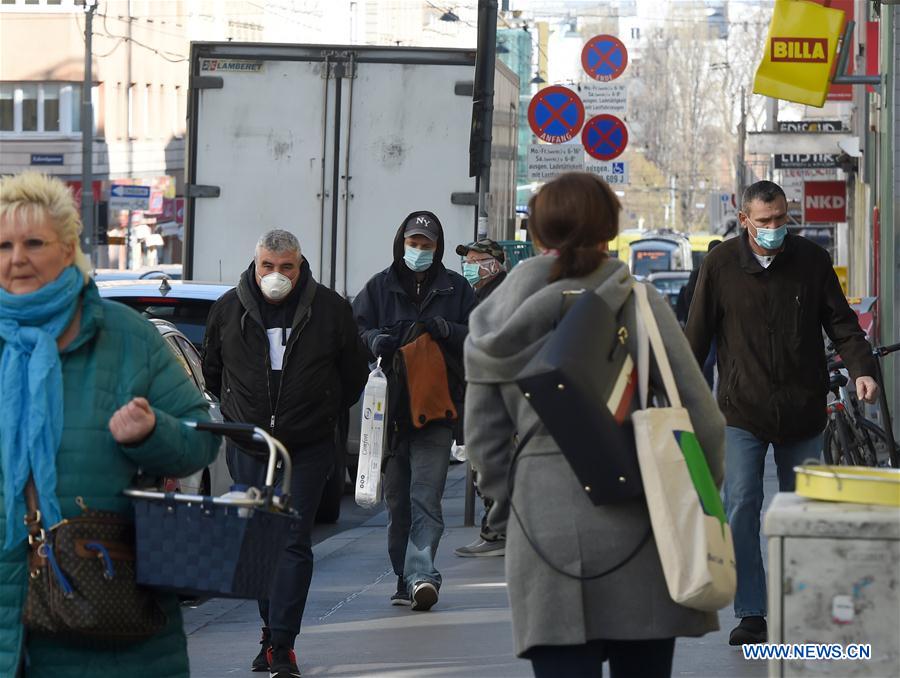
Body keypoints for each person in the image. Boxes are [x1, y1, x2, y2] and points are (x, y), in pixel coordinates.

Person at [464, 172, 725, 678]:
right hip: (643, 524)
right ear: (609, 228)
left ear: (537, 235)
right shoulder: (641, 304)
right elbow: (706, 423)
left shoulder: (494, 321)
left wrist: (511, 503)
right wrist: (698, 498)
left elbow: (483, 442)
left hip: (544, 531)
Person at [0, 171, 221, 678]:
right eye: (4, 244)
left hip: (106, 622)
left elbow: (199, 441)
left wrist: (150, 433)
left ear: (68, 248)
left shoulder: (127, 338)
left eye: (34, 242)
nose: (17, 258)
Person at [684, 180, 879, 646]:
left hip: (802, 409)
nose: (774, 229)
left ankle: (802, 604)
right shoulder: (720, 264)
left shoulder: (810, 261)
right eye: (765, 221)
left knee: (802, 511)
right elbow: (696, 336)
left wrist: (863, 370)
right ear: (745, 218)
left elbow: (842, 324)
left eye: (781, 219)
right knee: (742, 505)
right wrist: (681, 392)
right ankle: (751, 611)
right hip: (741, 410)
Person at [201, 229, 368, 677]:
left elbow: (353, 374)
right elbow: (212, 371)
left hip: (307, 447)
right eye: (268, 267)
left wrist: (322, 414)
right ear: (256, 265)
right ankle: (267, 628)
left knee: (292, 541)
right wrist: (241, 413)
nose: (277, 276)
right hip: (250, 445)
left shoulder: (330, 309)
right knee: (259, 540)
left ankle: (281, 644)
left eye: (286, 267)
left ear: (300, 265)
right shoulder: (228, 308)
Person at [353, 211, 476, 611]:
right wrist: (374, 339)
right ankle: (404, 578)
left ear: (437, 248)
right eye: (413, 243)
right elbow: (355, 331)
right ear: (401, 242)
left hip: (437, 412)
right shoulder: (379, 288)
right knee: (398, 504)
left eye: (426, 244)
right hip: (389, 416)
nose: (419, 251)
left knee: (426, 497)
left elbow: (479, 336)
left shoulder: (456, 290)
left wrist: (448, 331)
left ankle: (423, 573)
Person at [453, 238, 508, 558]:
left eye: (475, 260)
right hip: (481, 391)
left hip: (494, 396)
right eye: (467, 261)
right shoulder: (480, 295)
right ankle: (494, 528)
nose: (469, 266)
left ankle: (497, 530)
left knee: (488, 462)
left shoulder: (498, 296)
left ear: (494, 263)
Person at [677, 239, 722, 388]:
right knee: (708, 361)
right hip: (708, 325)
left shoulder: (729, 272)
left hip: (723, 325)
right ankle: (707, 389)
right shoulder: (699, 273)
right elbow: (691, 297)